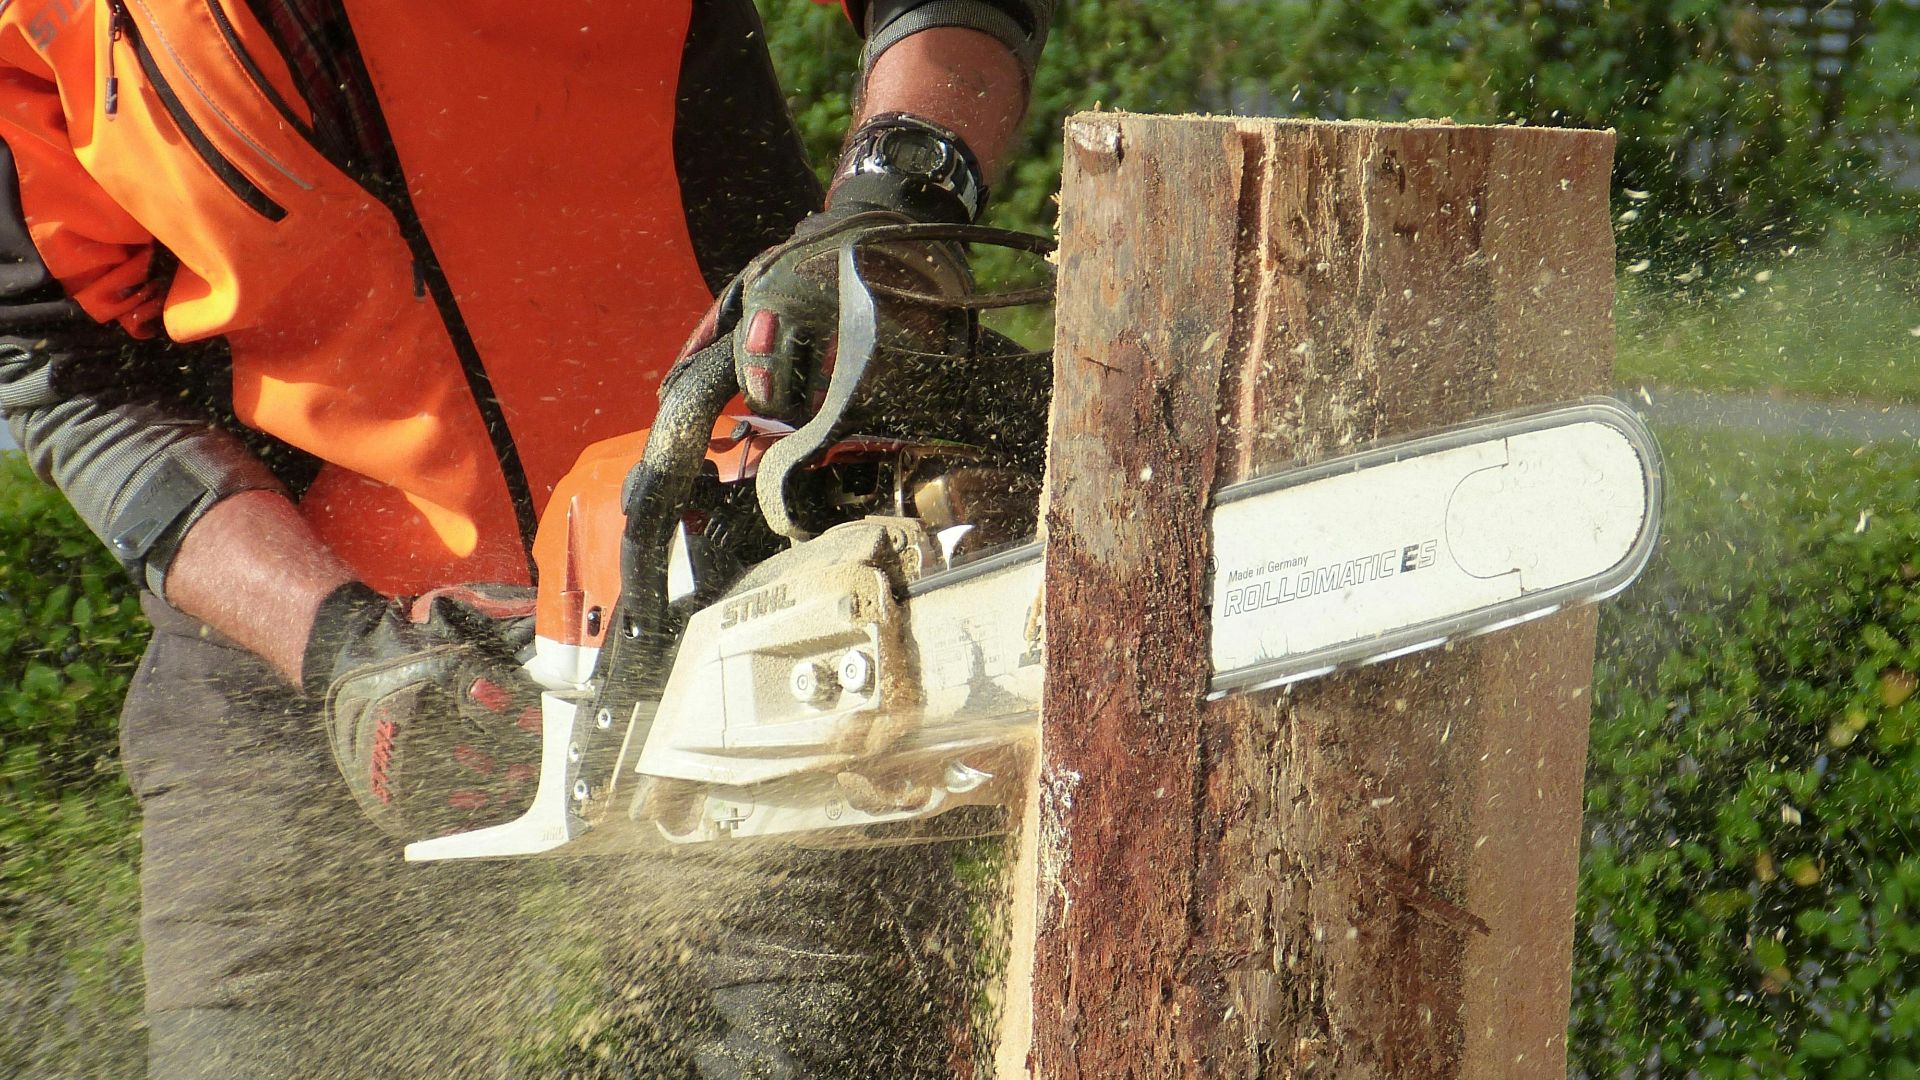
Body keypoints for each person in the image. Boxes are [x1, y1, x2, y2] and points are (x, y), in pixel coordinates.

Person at [0, 1, 1051, 1075]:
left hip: (744, 553)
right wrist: (332, 643)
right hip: (308, 640)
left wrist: (895, 191)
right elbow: (53, 364)